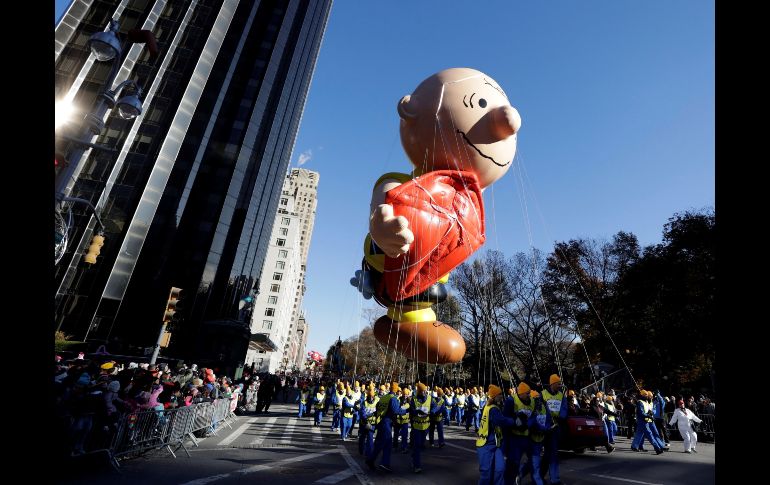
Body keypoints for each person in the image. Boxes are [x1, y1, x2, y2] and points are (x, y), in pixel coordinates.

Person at [477, 384, 515, 485]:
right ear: (494, 396)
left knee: (499, 469)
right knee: (487, 474)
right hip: (486, 444)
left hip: (495, 444)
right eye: (500, 394)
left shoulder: (490, 406)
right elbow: (501, 421)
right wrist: (514, 421)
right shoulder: (493, 409)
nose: (502, 396)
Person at [365, 382, 408, 473]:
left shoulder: (384, 397)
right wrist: (406, 410)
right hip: (387, 422)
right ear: (395, 390)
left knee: (381, 444)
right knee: (386, 444)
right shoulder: (393, 398)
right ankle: (382, 463)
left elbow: (377, 407)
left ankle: (374, 461)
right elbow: (396, 411)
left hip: (380, 422)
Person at [540, 374, 568, 485]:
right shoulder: (543, 394)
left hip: (555, 428)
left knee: (552, 453)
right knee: (541, 454)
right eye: (558, 384)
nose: (560, 385)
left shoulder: (561, 396)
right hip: (544, 427)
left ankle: (554, 479)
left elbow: (564, 409)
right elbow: (539, 409)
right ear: (552, 384)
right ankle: (533, 475)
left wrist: (560, 417)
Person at [410, 382, 438, 473]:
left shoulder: (430, 398)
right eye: (422, 391)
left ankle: (414, 456)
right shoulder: (414, 399)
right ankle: (417, 466)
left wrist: (432, 412)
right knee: (417, 445)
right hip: (416, 426)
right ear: (419, 391)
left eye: (425, 390)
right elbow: (411, 410)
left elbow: (435, 406)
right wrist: (417, 412)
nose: (424, 392)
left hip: (426, 426)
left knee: (421, 445)